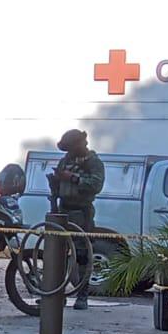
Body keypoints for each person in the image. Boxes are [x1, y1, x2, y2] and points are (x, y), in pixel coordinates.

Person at [52, 128, 105, 311]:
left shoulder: (94, 162)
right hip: (63, 210)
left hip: (82, 213)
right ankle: (57, 295)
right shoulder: (65, 161)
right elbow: (58, 183)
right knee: (57, 255)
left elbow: (96, 185)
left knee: (82, 255)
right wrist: (56, 182)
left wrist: (74, 178)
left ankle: (82, 295)